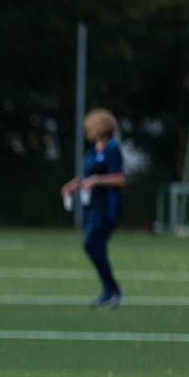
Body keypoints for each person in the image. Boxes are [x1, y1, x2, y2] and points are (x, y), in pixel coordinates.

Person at [61, 108, 125, 308]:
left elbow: (120, 179)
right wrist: (74, 185)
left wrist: (97, 180)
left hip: (107, 207)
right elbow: (87, 176)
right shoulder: (92, 149)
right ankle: (110, 291)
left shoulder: (112, 149)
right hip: (92, 207)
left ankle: (112, 289)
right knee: (96, 247)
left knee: (90, 244)